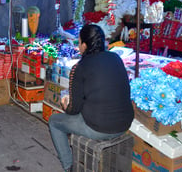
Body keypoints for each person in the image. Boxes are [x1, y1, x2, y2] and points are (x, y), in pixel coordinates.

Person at [48, 24, 134, 171]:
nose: (78, 45)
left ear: (85, 45)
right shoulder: (115, 58)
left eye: (79, 42)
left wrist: (65, 104)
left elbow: (73, 110)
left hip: (99, 128)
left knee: (54, 121)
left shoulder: (80, 67)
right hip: (125, 123)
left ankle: (69, 166)